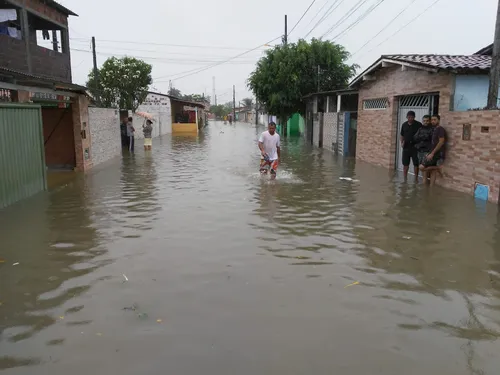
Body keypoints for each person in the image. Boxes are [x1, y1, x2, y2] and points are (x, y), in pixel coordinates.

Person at [423, 114, 446, 186]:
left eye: (434, 120)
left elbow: (441, 142)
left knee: (422, 167)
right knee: (433, 170)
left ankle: (439, 167)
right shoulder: (434, 129)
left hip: (439, 154)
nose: (433, 121)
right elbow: (433, 143)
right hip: (433, 153)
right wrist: (429, 152)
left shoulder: (440, 129)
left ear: (438, 120)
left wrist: (432, 153)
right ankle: (431, 190)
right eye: (432, 120)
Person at [400, 111, 422, 181]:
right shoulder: (404, 125)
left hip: (415, 148)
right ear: (406, 117)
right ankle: (405, 179)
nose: (410, 118)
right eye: (409, 117)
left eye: (412, 117)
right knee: (405, 164)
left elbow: (421, 135)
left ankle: (416, 178)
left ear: (414, 117)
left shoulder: (418, 124)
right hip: (406, 147)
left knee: (416, 164)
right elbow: (402, 135)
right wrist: (402, 142)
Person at [413, 115, 434, 183]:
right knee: (422, 168)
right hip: (420, 151)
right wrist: (423, 137)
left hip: (427, 151)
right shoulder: (420, 129)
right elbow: (415, 138)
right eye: (424, 121)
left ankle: (426, 184)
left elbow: (431, 140)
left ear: (430, 121)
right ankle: (424, 185)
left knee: (424, 167)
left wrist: (422, 137)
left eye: (427, 121)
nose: (426, 122)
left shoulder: (432, 129)